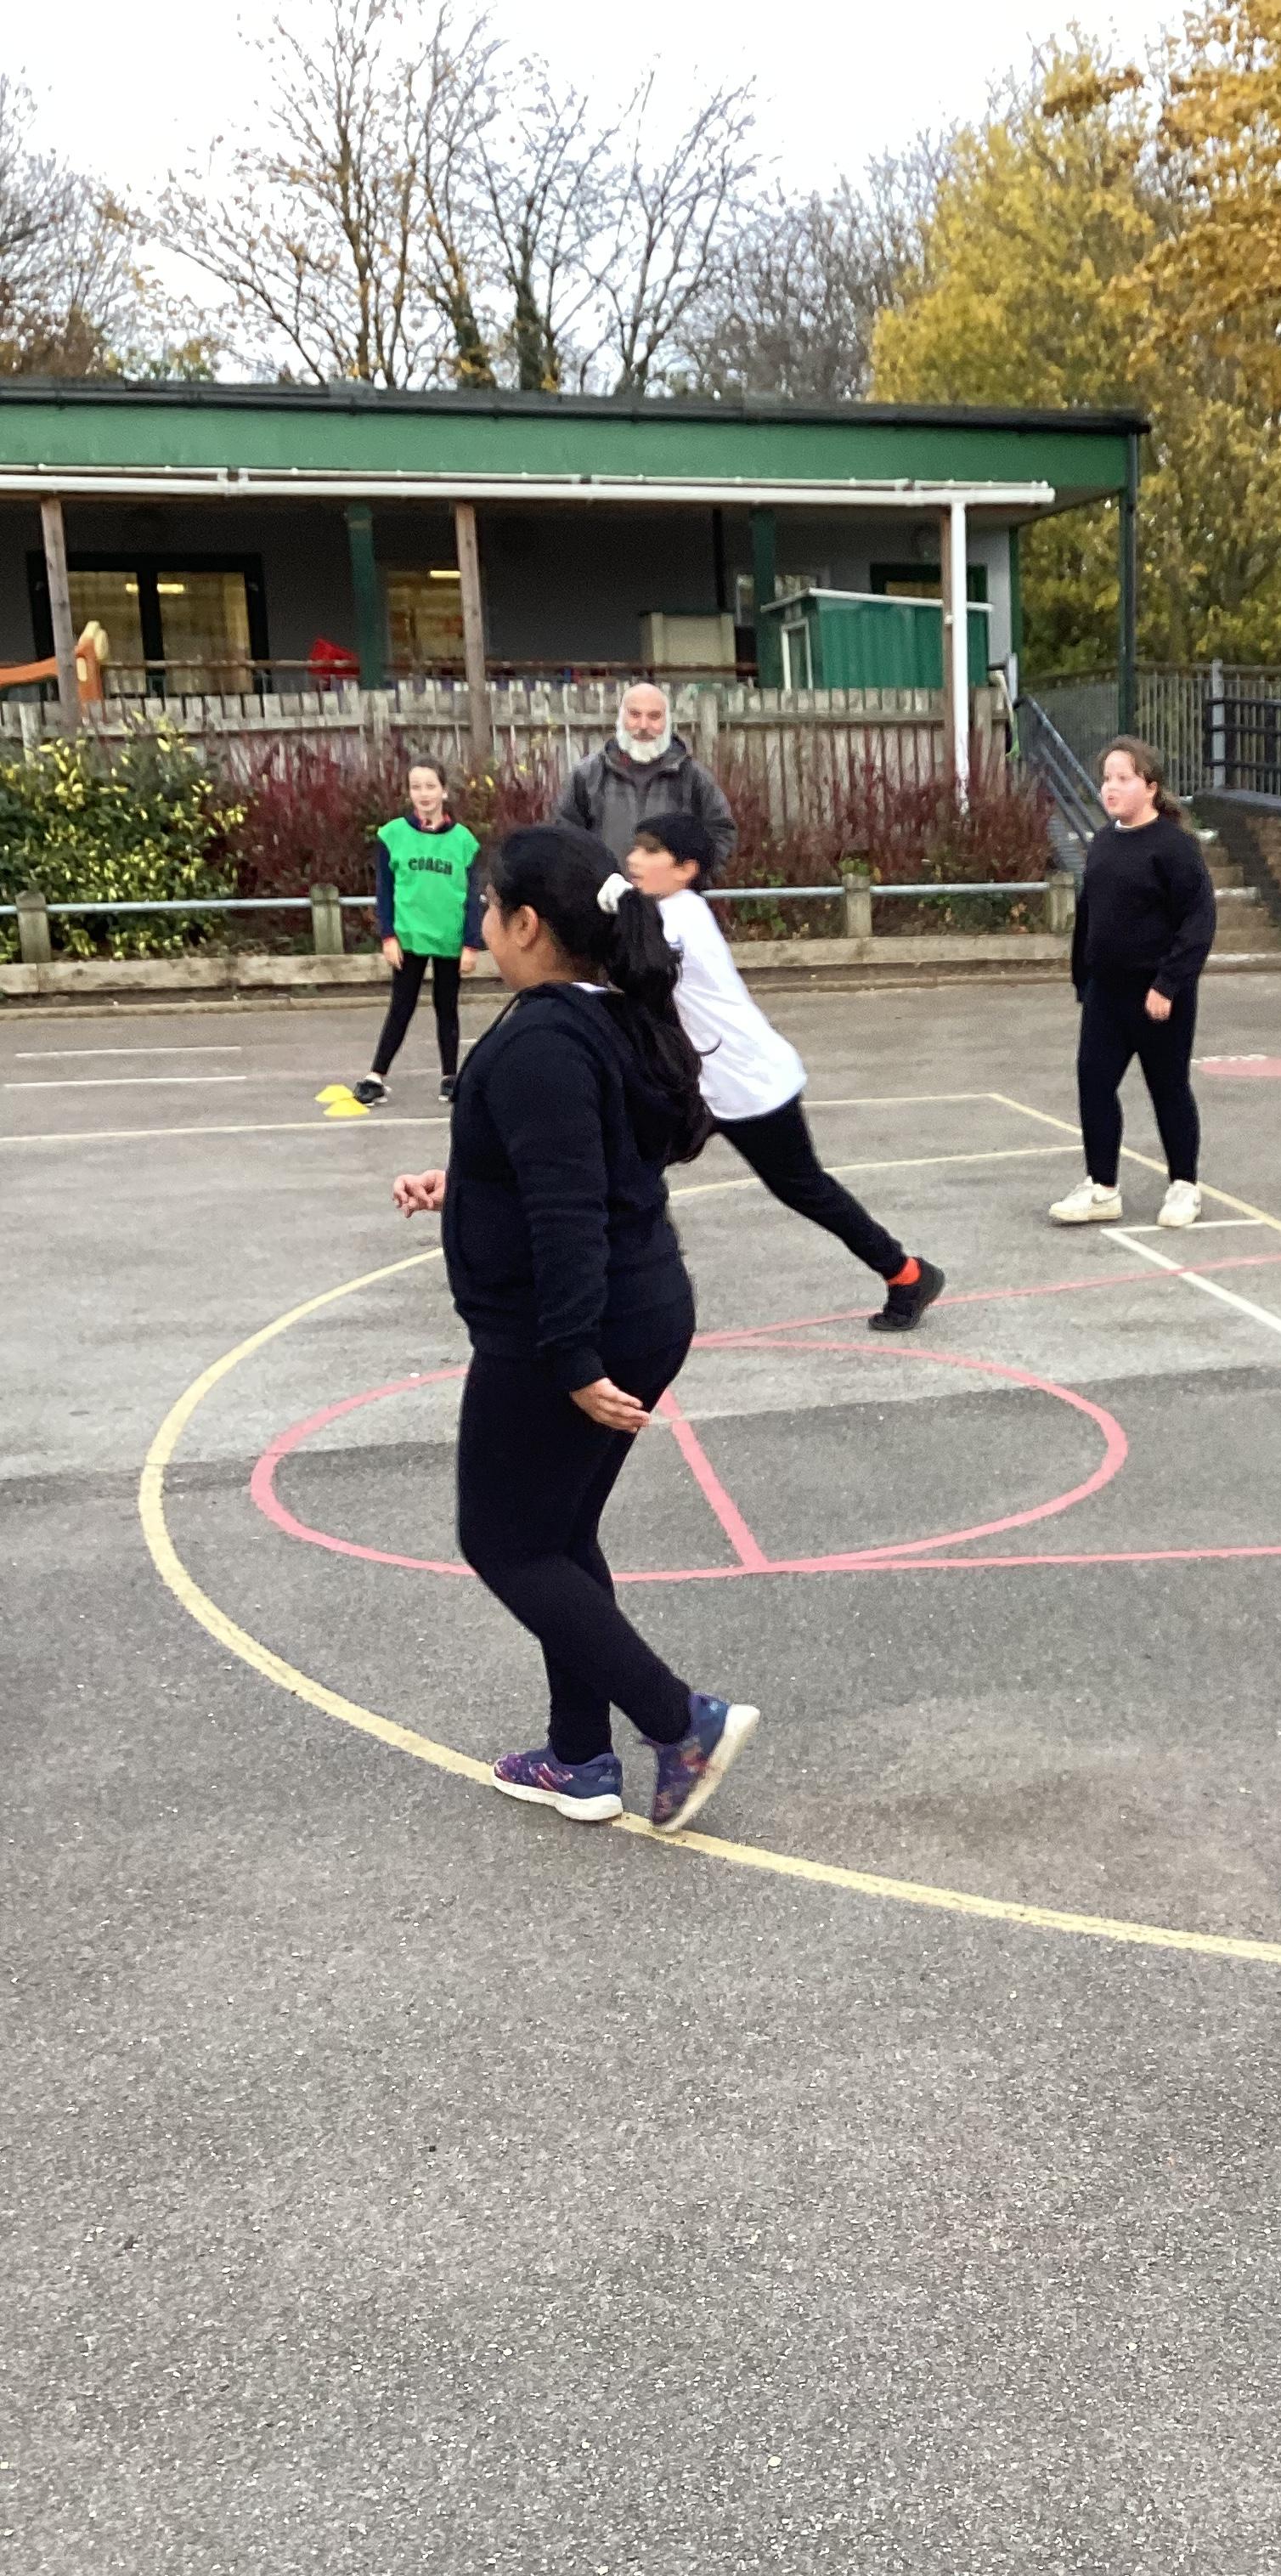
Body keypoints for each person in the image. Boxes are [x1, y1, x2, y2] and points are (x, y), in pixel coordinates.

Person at [390, 824, 759, 1833]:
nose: (480, 923)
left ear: (527, 925)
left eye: (488, 906)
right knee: (556, 1533)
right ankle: (580, 1758)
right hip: (636, 1307)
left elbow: (566, 1214)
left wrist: (570, 1359)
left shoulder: (543, 1042)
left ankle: (680, 1723)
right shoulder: (600, 1017)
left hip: (573, 1323)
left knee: (503, 1543)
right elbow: (569, 1162)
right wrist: (465, 1182)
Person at [625, 810, 946, 1331]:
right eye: (635, 847)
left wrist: (606, 901)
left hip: (750, 1082)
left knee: (803, 1188)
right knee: (629, 1170)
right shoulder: (660, 911)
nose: (634, 859)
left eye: (649, 850)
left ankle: (907, 1275)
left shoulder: (680, 916)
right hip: (694, 1084)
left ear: (685, 869)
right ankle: (638, 1289)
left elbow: (637, 967)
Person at [1047, 737, 1216, 1229]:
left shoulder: (1174, 846)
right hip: (1107, 993)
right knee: (1094, 1082)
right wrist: (1084, 979)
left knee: (1168, 1087)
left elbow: (1198, 921)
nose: (1111, 787)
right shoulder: (1103, 841)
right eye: (1107, 778)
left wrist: (1168, 984)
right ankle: (1102, 1188)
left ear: (1151, 786)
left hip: (1158, 995)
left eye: (1123, 778)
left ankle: (1184, 1186)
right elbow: (1090, 915)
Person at [351, 757, 482, 1107]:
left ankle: (450, 1076)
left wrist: (471, 943)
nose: (424, 794)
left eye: (430, 786)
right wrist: (388, 936)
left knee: (447, 1007)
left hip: (448, 938)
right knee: (401, 1006)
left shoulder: (464, 841)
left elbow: (472, 897)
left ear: (444, 791)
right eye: (416, 787)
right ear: (408, 792)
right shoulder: (393, 835)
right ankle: (376, 1075)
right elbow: (385, 891)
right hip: (408, 937)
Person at [555, 682, 739, 877]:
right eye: (635, 715)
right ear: (620, 718)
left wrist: (694, 879)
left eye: (654, 716)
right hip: (604, 894)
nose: (643, 726)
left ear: (667, 722)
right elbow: (564, 838)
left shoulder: (693, 777)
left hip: (670, 896)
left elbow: (722, 832)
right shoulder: (587, 775)